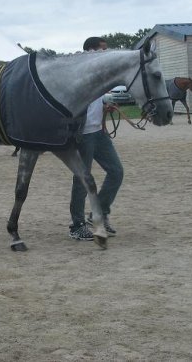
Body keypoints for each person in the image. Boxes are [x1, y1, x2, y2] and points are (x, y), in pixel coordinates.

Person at [68, 37, 124, 241]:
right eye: (103, 49)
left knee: (116, 172)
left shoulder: (101, 74)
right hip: (83, 134)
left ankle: (99, 213)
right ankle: (76, 225)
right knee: (82, 179)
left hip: (98, 132)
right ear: (91, 51)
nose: (106, 52)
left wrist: (105, 108)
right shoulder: (79, 73)